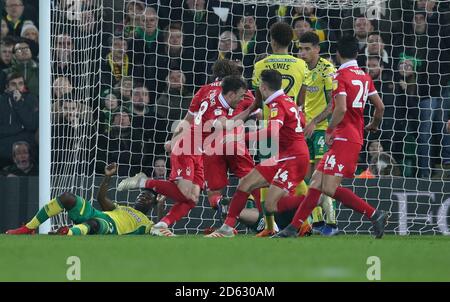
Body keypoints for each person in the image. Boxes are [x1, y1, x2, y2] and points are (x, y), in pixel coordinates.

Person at [274, 36, 387, 239]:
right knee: (316, 183)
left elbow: (341, 108)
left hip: (343, 138)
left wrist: (329, 130)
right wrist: (373, 124)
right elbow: (380, 107)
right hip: (354, 136)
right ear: (357, 54)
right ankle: (292, 228)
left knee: (328, 187)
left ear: (337, 53)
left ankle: (374, 214)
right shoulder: (364, 76)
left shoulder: (339, 76)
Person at [117, 75, 256, 237]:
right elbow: (227, 125)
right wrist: (250, 109)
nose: (241, 100)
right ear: (231, 94)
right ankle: (142, 181)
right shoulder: (217, 108)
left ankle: (161, 225)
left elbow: (190, 118)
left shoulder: (212, 94)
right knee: (184, 192)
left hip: (200, 152)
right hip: (187, 147)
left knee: (192, 198)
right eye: (240, 96)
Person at [206, 70, 310, 238]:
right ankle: (227, 228)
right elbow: (302, 122)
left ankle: (314, 201)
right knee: (245, 184)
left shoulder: (277, 104)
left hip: (293, 159)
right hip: (283, 157)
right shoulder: (287, 101)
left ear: (262, 87)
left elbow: (272, 131)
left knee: (270, 205)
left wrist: (241, 137)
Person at [251, 21, 308, 236]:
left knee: (267, 177)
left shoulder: (261, 65)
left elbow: (258, 101)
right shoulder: (301, 65)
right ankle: (307, 220)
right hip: (291, 126)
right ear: (291, 41)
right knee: (295, 174)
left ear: (272, 41)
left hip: (269, 127)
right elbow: (301, 100)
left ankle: (270, 226)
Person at [6, 163, 155, 235]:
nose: (143, 197)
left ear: (152, 205)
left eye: (148, 197)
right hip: (97, 214)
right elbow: (101, 199)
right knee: (67, 197)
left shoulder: (148, 224)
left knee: (95, 224)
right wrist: (108, 177)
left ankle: (68, 233)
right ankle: (28, 228)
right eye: (142, 194)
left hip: (111, 228)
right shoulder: (122, 208)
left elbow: (162, 229)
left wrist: (161, 207)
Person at [298, 32, 338, 236]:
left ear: (317, 49)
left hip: (322, 129)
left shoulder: (327, 69)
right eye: (300, 48)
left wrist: (315, 121)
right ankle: (318, 221)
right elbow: (303, 99)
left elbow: (334, 104)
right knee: (307, 179)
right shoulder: (302, 68)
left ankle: (332, 224)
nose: (302, 53)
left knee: (319, 179)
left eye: (306, 49)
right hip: (307, 129)